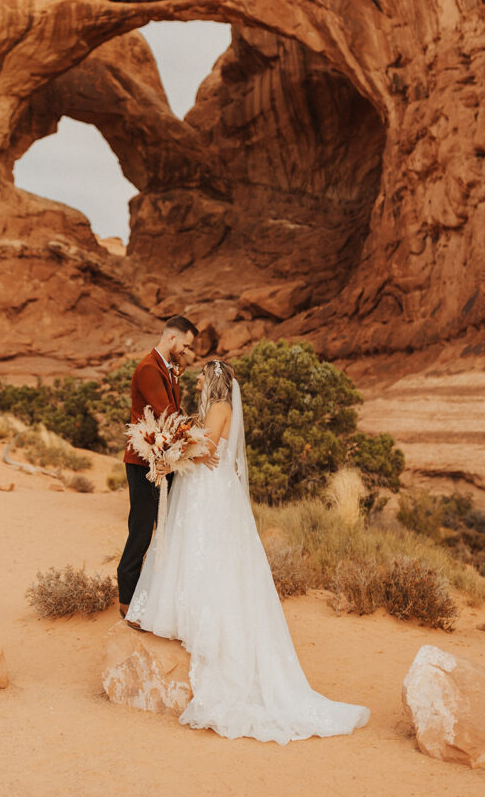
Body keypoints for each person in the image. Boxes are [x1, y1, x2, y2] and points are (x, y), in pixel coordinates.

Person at [126, 359, 370, 744]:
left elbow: (207, 447)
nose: (200, 380)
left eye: (204, 376)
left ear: (215, 381)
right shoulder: (209, 408)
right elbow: (199, 447)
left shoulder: (220, 408)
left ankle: (210, 628)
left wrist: (176, 447)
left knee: (211, 552)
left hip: (210, 487)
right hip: (200, 483)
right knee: (192, 548)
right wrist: (177, 448)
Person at [117, 315, 213, 618]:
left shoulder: (169, 369)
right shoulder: (148, 368)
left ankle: (153, 593)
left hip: (162, 460)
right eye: (185, 344)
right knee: (142, 529)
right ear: (172, 339)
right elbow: (166, 413)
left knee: (164, 529)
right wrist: (195, 439)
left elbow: (173, 414)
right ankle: (127, 601)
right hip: (144, 462)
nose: (186, 350)